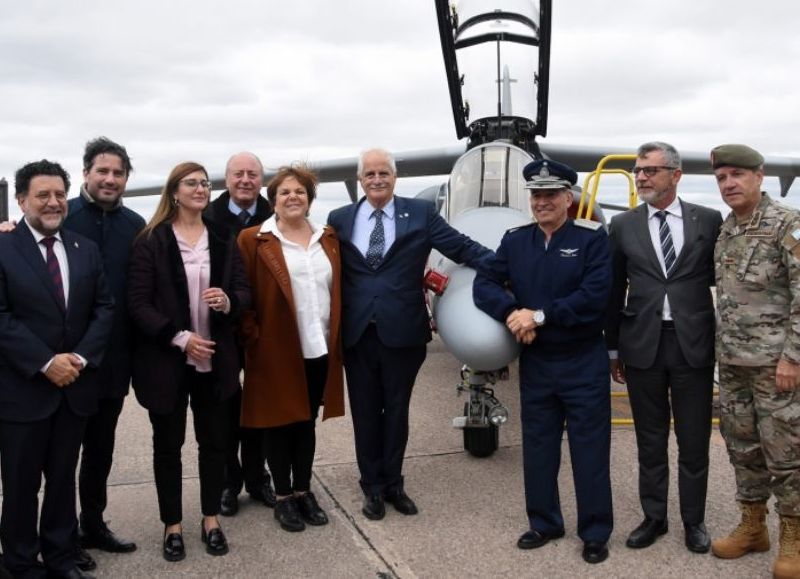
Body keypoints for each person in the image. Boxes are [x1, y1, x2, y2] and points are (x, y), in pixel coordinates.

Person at [327, 148, 491, 521]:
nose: (377, 179)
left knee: (397, 411)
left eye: (384, 172)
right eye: (369, 174)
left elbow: (459, 246)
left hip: (403, 332)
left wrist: (507, 263)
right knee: (366, 413)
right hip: (357, 334)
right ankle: (371, 486)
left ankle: (393, 484)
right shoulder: (340, 218)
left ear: (394, 177)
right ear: (360, 180)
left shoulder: (419, 214)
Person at [473, 159, 613, 565]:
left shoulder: (591, 240)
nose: (542, 202)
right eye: (536, 195)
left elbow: (594, 296)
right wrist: (511, 313)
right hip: (538, 363)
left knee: (589, 450)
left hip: (582, 361)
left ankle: (595, 530)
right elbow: (485, 283)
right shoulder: (516, 241)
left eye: (551, 195)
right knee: (538, 449)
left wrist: (538, 316)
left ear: (568, 199)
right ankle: (544, 522)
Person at [127, 162, 250, 561]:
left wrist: (228, 302)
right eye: (191, 183)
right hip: (167, 361)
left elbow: (243, 291)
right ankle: (173, 525)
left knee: (214, 444)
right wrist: (181, 339)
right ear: (174, 192)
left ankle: (210, 518)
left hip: (215, 361)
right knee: (168, 446)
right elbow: (138, 303)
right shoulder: (152, 240)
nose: (200, 188)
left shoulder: (223, 237)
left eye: (204, 183)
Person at [605, 142, 722, 554]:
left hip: (692, 345)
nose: (641, 178)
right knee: (649, 441)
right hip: (642, 347)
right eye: (638, 171)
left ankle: (694, 521)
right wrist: (613, 349)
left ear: (676, 174)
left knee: (694, 441)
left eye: (651, 171)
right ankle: (654, 517)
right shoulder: (623, 225)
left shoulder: (708, 220)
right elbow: (614, 288)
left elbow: (722, 281)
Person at [0, 160, 114, 579]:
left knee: (63, 481)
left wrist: (79, 359)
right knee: (21, 485)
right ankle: (20, 562)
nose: (52, 202)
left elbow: (104, 308)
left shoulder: (85, 248)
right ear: (21, 200)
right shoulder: (4, 247)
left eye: (59, 195)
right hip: (22, 391)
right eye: (42, 195)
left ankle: (61, 556)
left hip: (74, 388)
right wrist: (45, 362)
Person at [237, 165, 345, 532]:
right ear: (273, 200)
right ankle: (282, 496)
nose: (292, 197)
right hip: (275, 349)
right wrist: (254, 337)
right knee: (278, 424)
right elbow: (243, 294)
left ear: (310, 199)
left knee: (306, 422)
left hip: (319, 346)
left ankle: (303, 490)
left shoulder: (327, 238)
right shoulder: (254, 239)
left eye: (299, 191)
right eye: (284, 192)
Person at [710, 144, 800, 578]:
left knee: (785, 453)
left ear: (759, 175)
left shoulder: (788, 224)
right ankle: (752, 527)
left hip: (777, 367)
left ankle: (793, 538)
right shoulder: (728, 230)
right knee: (742, 447)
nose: (729, 184)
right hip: (732, 364)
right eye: (722, 177)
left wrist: (794, 357)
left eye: (736, 175)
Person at [69, 138, 143, 567]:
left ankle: (92, 523)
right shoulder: (63, 218)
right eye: (103, 171)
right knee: (62, 454)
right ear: (86, 174)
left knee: (101, 449)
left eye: (118, 173)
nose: (110, 179)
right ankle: (62, 534)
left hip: (114, 361)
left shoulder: (135, 225)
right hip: (67, 362)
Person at [204, 151, 276, 516]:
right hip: (220, 329)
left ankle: (257, 475)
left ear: (261, 180)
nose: (245, 180)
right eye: (238, 174)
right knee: (225, 410)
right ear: (227, 179)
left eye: (252, 174)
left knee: (259, 408)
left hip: (264, 329)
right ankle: (229, 481)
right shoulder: (206, 218)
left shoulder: (277, 216)